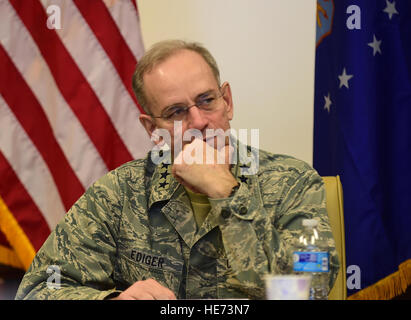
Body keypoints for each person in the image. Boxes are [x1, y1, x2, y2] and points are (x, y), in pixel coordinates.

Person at [15, 40, 339, 300]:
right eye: (176, 112)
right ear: (151, 128)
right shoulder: (118, 195)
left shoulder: (292, 183)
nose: (198, 121)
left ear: (228, 101)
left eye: (207, 100)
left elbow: (311, 288)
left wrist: (228, 192)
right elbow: (38, 290)